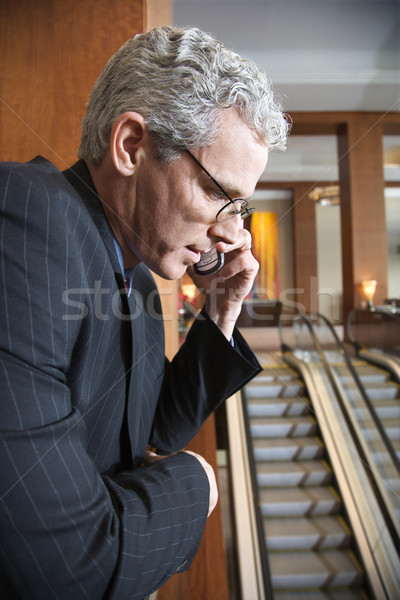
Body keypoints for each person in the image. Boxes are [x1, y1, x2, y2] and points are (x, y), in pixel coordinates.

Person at [0, 26, 289, 599]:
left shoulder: (136, 279)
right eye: (217, 195)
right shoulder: (31, 217)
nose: (232, 234)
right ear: (131, 145)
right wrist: (199, 481)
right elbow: (70, 565)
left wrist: (222, 311)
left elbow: (149, 431)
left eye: (240, 207)